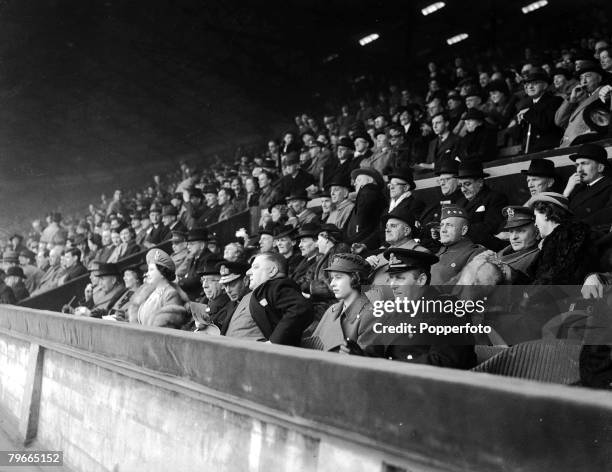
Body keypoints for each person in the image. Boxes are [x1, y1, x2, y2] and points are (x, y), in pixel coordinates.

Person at [365, 249, 477, 368]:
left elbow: (445, 361)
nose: (392, 285)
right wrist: (352, 352)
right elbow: (375, 351)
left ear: (421, 280)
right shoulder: (394, 309)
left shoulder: (448, 308)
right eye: (391, 278)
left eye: (399, 278)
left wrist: (391, 368)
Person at [304, 253, 376, 353]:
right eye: (332, 278)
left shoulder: (370, 315)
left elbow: (365, 361)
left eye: (338, 277)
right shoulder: (332, 309)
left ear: (355, 278)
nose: (332, 283)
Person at [525, 192, 597, 285]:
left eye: (536, 216)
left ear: (546, 213)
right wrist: (512, 275)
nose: (535, 223)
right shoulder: (557, 239)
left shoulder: (569, 236)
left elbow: (558, 279)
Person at [245, 252, 313, 345]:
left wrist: (274, 341)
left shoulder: (276, 286)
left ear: (273, 271)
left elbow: (299, 308)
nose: (248, 272)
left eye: (256, 267)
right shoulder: (260, 291)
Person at [456, 161, 508, 251]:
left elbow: (491, 226)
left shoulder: (495, 198)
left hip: (484, 248)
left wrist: (459, 229)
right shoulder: (459, 202)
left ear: (480, 182)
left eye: (467, 184)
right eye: (461, 185)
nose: (463, 189)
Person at [133, 249, 190, 328]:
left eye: (151, 270)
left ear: (162, 273)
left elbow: (168, 326)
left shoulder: (170, 294)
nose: (147, 274)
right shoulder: (150, 293)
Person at [430, 205, 486, 285]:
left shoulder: (475, 253)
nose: (443, 230)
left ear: (463, 230)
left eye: (449, 225)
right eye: (442, 225)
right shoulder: (440, 251)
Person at [562, 144, 612, 231]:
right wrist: (566, 193)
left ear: (600, 168)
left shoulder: (609, 186)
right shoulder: (575, 189)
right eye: (577, 165)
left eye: (584, 164)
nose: (579, 170)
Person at [556, 64, 607, 147]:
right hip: (568, 146)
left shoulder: (604, 92)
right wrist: (571, 99)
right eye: (581, 78)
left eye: (588, 76)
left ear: (599, 78)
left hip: (585, 145)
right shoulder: (581, 98)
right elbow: (559, 121)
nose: (584, 81)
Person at [516, 69, 564, 153]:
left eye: (534, 83)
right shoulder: (526, 106)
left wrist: (528, 113)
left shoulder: (555, 101)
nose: (530, 87)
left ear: (545, 85)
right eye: (527, 84)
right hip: (529, 150)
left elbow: (545, 123)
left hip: (548, 149)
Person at [345, 168, 387, 250]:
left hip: (362, 247)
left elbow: (362, 225)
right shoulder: (363, 197)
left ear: (370, 180)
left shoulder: (369, 193)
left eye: (359, 180)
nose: (354, 184)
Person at [496, 206, 540, 281]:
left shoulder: (538, 259)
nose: (513, 237)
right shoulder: (501, 253)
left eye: (520, 231)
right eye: (511, 231)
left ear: (536, 230)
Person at [291, 223, 320, 290]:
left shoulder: (318, 263)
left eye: (304, 241)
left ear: (316, 243)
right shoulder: (301, 260)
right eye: (300, 241)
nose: (300, 245)